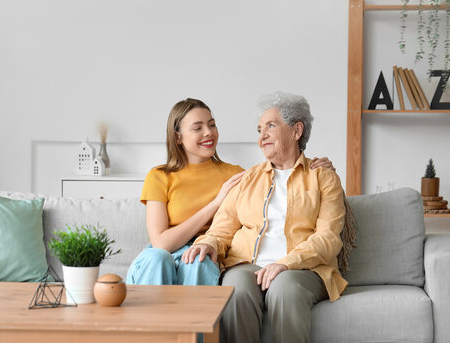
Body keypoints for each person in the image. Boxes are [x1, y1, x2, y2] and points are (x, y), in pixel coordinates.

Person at [182, 91, 347, 343]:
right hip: (248, 265)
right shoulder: (248, 178)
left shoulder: (323, 177)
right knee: (235, 288)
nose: (262, 137)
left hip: (302, 269)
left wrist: (286, 263)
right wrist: (207, 243)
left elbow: (328, 238)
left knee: (284, 288)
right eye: (259, 130)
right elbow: (221, 229)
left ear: (296, 130)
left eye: (271, 126)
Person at [126, 97, 335, 286]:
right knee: (158, 259)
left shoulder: (237, 175)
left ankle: (194, 328)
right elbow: (161, 243)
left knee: (199, 263)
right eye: (197, 128)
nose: (208, 132)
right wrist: (215, 204)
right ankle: (150, 327)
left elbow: (276, 185)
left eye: (212, 125)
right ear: (178, 137)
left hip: (207, 254)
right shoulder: (159, 176)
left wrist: (316, 168)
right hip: (166, 255)